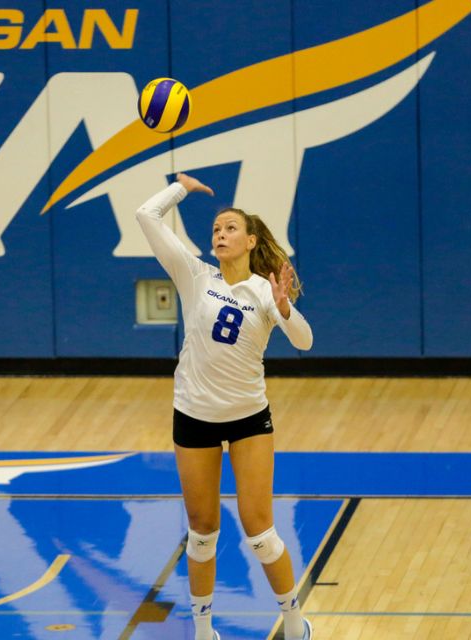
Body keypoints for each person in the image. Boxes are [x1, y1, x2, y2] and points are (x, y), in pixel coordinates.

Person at [136, 173, 314, 640]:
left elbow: (305, 341)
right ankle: (203, 632)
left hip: (249, 420)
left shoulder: (264, 290)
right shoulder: (194, 275)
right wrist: (180, 187)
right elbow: (145, 216)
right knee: (202, 531)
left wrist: (286, 308)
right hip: (193, 416)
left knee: (260, 532)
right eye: (216, 229)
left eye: (231, 228)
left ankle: (295, 624)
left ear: (251, 240)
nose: (220, 235)